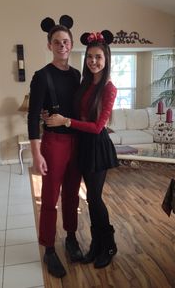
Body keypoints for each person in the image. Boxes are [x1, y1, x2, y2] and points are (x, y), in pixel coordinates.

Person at [45, 30, 119, 269]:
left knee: (95, 199)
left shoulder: (109, 88)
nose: (93, 61)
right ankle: (96, 246)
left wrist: (66, 121)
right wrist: (47, 113)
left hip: (97, 147)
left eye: (98, 57)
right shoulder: (84, 83)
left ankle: (107, 245)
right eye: (90, 57)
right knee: (90, 200)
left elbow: (98, 127)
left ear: (106, 60)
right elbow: (73, 109)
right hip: (81, 145)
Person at [27, 15, 83, 278]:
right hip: (54, 143)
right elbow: (32, 116)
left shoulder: (76, 75)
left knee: (72, 194)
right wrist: (37, 153)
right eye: (57, 42)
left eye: (66, 42)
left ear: (71, 45)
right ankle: (49, 248)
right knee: (50, 198)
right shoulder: (41, 76)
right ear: (49, 45)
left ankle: (71, 237)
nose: (62, 45)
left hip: (77, 142)